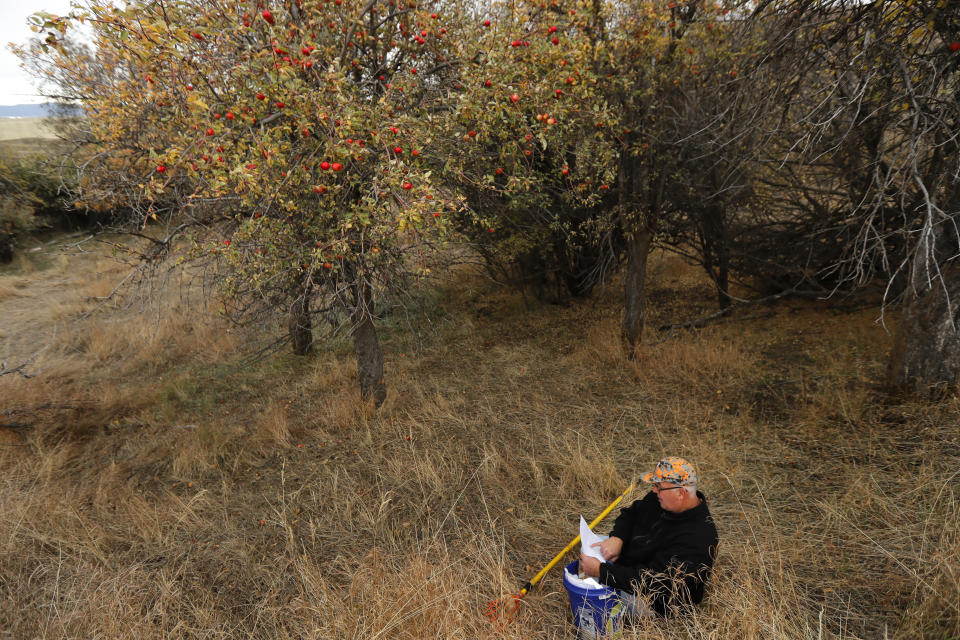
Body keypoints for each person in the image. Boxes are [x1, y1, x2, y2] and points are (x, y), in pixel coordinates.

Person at [579, 456, 719, 619]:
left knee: (597, 599)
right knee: (592, 547)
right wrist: (618, 538)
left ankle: (600, 608)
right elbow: (631, 513)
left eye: (659, 487)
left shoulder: (698, 538)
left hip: (654, 600)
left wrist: (602, 572)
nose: (654, 491)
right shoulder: (660, 499)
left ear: (681, 493)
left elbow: (652, 581)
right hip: (632, 564)